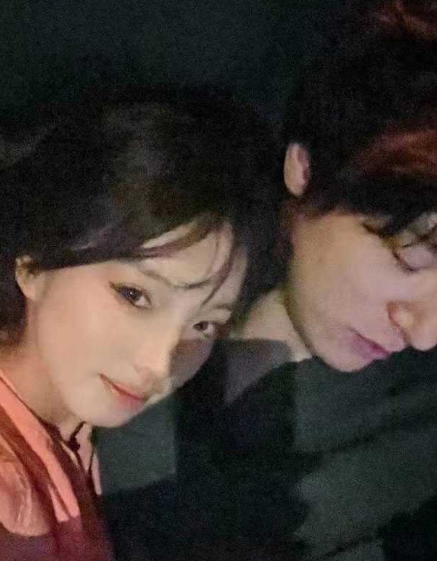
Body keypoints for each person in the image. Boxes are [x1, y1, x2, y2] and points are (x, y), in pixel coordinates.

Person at [96, 2, 437, 560]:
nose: (423, 333)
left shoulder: (413, 450)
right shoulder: (138, 272)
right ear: (306, 169)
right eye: (409, 261)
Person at [0, 88, 273, 560]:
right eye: (134, 295)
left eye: (204, 326)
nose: (159, 365)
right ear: (33, 264)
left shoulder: (70, 429)